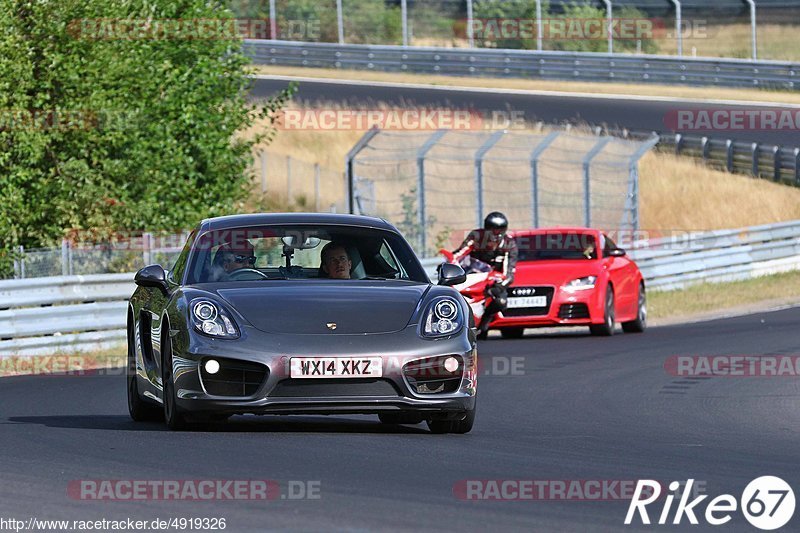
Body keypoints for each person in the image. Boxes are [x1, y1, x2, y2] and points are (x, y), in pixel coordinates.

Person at [452, 211, 518, 338]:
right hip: (473, 273)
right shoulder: (476, 236)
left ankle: (484, 323)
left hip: (494, 278)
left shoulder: (510, 244)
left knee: (501, 301)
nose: (495, 233)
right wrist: (450, 262)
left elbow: (509, 272)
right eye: (492, 229)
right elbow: (461, 252)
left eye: (499, 230)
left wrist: (499, 286)